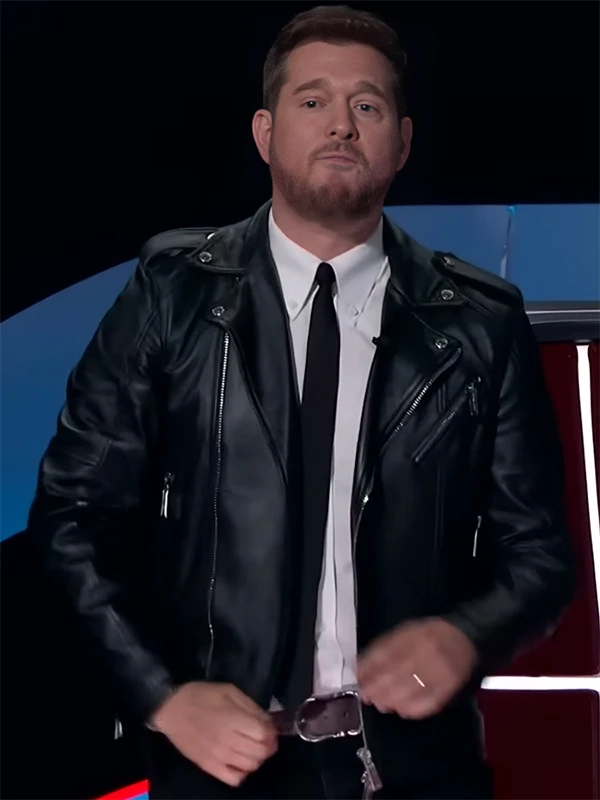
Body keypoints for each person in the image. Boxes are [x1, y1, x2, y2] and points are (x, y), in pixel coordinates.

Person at [28, 5, 576, 799]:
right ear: (264, 132)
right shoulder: (172, 296)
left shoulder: (481, 325)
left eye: (367, 105)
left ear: (403, 142)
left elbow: (541, 556)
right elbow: (74, 516)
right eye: (313, 101)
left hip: (417, 771)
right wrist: (164, 696)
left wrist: (466, 635)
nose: (341, 125)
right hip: (221, 770)